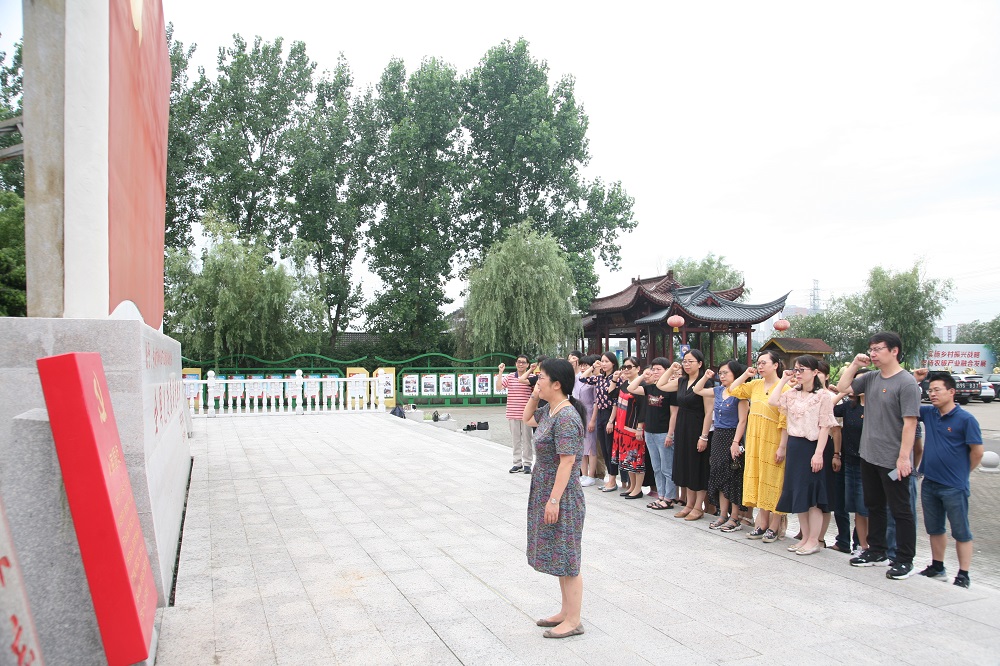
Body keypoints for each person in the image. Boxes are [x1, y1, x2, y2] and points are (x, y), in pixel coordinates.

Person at [836, 332, 920, 580]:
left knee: (900, 510)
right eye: (871, 349)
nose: (872, 353)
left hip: (893, 460)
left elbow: (910, 423)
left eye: (878, 349)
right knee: (874, 506)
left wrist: (903, 458)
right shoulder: (871, 378)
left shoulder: (906, 383)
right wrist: (854, 364)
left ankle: (904, 559)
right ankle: (877, 551)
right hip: (868, 455)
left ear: (894, 351)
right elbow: (842, 388)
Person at [523, 358, 587, 638]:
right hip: (546, 488)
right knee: (558, 554)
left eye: (542, 378)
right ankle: (565, 612)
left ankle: (574, 620)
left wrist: (554, 500)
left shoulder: (567, 417)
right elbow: (527, 419)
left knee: (568, 556)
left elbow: (567, 462)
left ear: (557, 384)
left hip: (562, 495)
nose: (537, 381)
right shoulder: (551, 410)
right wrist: (535, 396)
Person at [916, 372, 984, 588]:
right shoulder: (929, 413)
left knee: (961, 530)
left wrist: (963, 472)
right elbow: (905, 402)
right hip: (930, 482)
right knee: (934, 528)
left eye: (937, 390)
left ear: (952, 392)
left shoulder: (966, 419)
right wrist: (916, 381)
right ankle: (938, 567)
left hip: (954, 486)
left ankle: (963, 574)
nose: (932, 394)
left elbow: (977, 452)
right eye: (930, 390)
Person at [769, 355, 837, 555]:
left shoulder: (823, 396)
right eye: (796, 369)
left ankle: (814, 540)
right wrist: (784, 379)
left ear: (815, 372)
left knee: (813, 496)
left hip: (813, 446)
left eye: (802, 370)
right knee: (799, 494)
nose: (798, 373)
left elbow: (825, 426)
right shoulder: (791, 394)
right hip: (795, 445)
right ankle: (805, 538)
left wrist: (818, 454)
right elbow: (772, 400)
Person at [728, 350, 791, 543]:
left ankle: (774, 526)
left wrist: (782, 447)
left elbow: (785, 421)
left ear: (775, 365)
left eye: (764, 363)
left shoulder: (785, 388)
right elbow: (733, 390)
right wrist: (745, 375)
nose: (760, 366)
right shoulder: (755, 385)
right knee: (759, 480)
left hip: (773, 440)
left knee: (774, 482)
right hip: (755, 441)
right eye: (758, 362)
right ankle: (762, 524)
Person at [691, 360, 749, 530]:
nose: (722, 376)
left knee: (733, 476)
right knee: (719, 474)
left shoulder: (740, 393)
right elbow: (697, 390)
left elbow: (742, 421)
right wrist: (706, 377)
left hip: (733, 436)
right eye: (720, 373)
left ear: (735, 374)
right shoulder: (718, 391)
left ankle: (735, 517)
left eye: (726, 373)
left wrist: (736, 442)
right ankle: (723, 515)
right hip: (718, 435)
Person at [657, 349, 714, 521]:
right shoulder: (682, 381)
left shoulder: (705, 382)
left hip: (697, 427)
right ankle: (689, 504)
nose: (686, 364)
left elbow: (709, 412)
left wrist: (704, 436)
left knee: (698, 467)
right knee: (686, 466)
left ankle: (698, 507)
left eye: (690, 361)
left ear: (700, 364)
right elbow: (660, 385)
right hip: (682, 427)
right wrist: (671, 369)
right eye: (685, 361)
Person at [628, 358, 679, 510]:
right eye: (653, 369)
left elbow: (674, 414)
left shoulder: (671, 390)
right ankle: (661, 496)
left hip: (663, 432)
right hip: (649, 432)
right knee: (656, 467)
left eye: (659, 369)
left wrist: (670, 434)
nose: (655, 372)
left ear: (666, 371)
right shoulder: (650, 388)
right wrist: (642, 376)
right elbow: (631, 387)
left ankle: (669, 498)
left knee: (667, 468)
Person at [834, 372, 870, 553]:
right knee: (855, 506)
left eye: (863, 381)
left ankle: (868, 545)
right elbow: (827, 409)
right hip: (850, 462)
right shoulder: (849, 406)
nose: (859, 385)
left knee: (866, 507)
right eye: (856, 381)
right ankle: (859, 545)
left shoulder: (877, 407)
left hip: (869, 464)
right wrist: (842, 392)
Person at [580, 353, 625, 492]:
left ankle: (612, 479)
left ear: (613, 363)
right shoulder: (599, 378)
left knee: (610, 447)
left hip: (611, 413)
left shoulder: (616, 378)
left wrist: (611, 420)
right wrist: (593, 366)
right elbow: (582, 378)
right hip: (600, 413)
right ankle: (610, 479)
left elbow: (616, 400)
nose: (604, 364)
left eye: (607, 361)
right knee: (604, 449)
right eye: (602, 361)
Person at [611, 357, 646, 500]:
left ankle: (638, 488)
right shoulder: (625, 383)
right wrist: (614, 380)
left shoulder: (641, 385)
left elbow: (643, 408)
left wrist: (639, 427)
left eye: (629, 367)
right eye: (624, 367)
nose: (626, 370)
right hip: (621, 426)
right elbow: (611, 394)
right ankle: (632, 486)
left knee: (637, 458)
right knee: (627, 458)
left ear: (638, 368)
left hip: (633, 426)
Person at [498, 356, 536, 474]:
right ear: (515, 364)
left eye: (523, 362)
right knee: (516, 440)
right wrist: (500, 372)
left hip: (527, 415)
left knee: (527, 440)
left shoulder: (531, 378)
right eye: (519, 362)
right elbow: (498, 388)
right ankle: (517, 463)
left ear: (527, 365)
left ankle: (527, 464)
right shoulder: (510, 377)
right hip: (512, 413)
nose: (521, 364)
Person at [572, 354, 599, 486]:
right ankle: (584, 474)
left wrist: (593, 420)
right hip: (579, 413)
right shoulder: (578, 379)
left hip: (590, 413)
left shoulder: (594, 381)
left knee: (591, 446)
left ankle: (591, 475)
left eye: (586, 365)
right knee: (582, 446)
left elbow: (596, 402)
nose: (583, 368)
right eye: (581, 365)